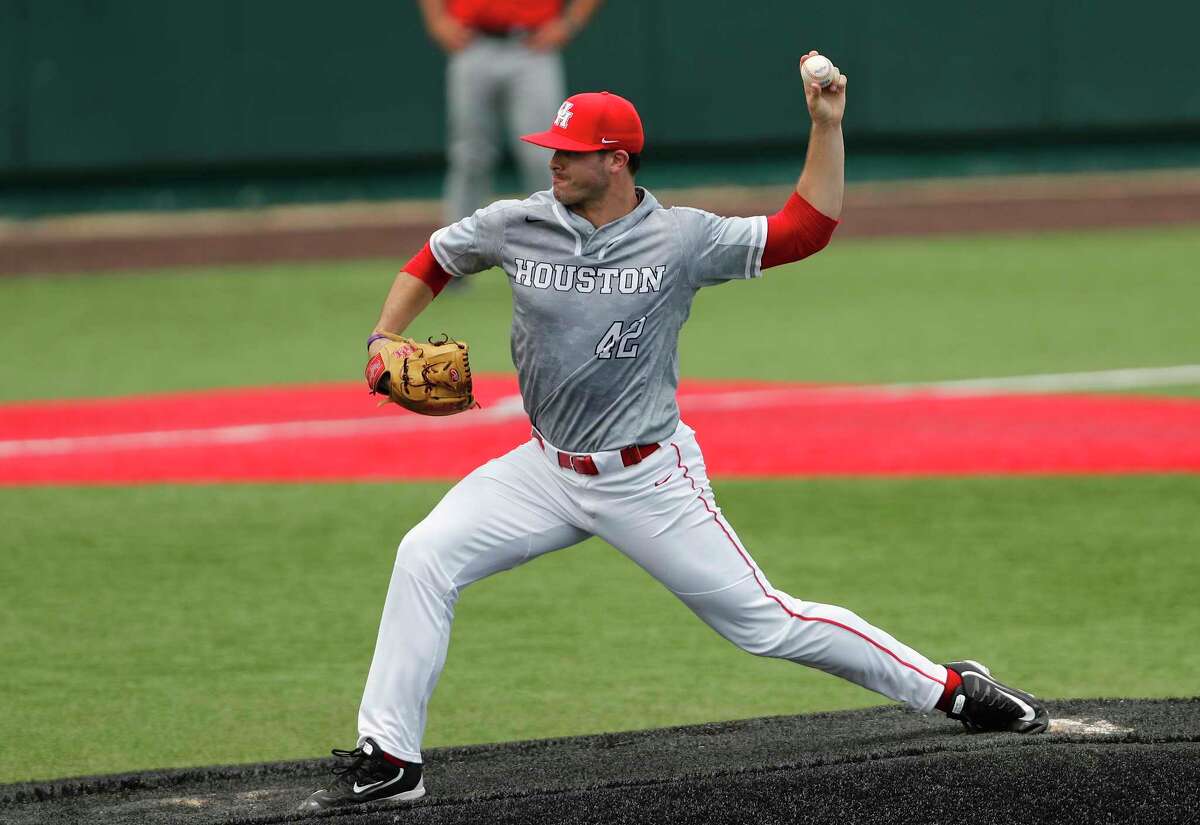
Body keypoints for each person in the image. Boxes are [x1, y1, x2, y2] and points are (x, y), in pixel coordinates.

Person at [298, 53, 1049, 813]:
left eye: (571, 152)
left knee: (767, 623)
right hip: (543, 471)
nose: (552, 161)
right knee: (425, 553)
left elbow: (805, 229)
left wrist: (826, 126)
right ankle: (392, 756)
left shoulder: (681, 238)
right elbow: (433, 257)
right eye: (551, 148)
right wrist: (381, 338)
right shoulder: (517, 222)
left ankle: (952, 690)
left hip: (647, 478)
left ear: (617, 162)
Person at [418, 0, 605, 227]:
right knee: (469, 155)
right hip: (473, 42)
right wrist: (436, 20)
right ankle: (455, 244)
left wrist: (569, 23)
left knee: (543, 155)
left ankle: (559, 237)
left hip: (532, 45)